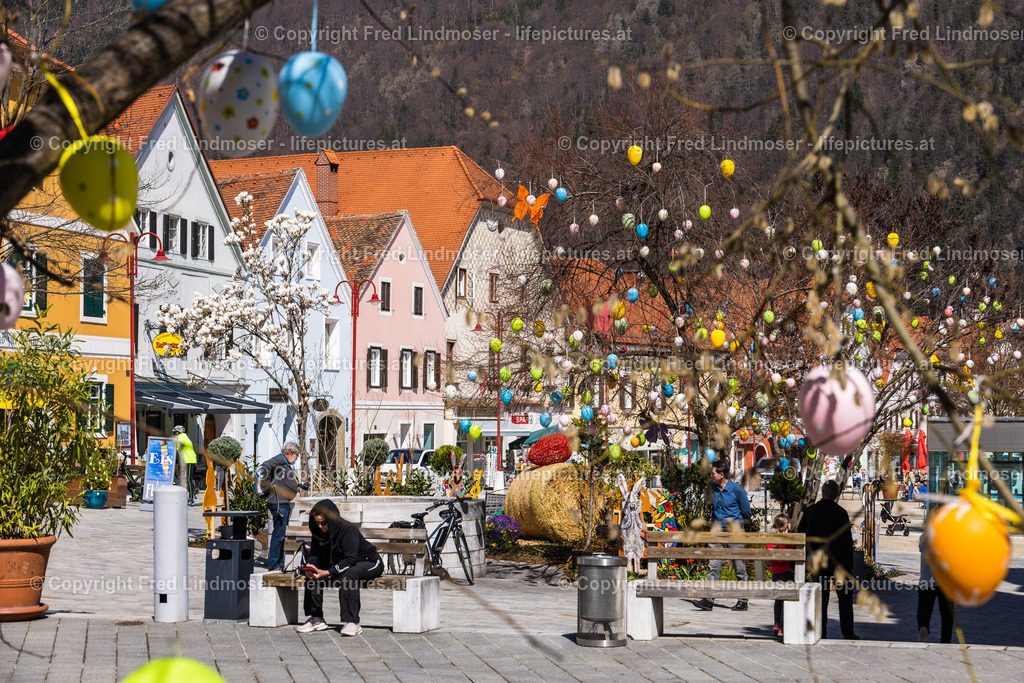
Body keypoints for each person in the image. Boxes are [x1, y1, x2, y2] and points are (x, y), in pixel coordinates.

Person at [296, 499, 384, 635]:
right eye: (317, 523)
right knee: (312, 574)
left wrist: (327, 572)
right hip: (341, 563)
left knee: (348, 574)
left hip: (369, 561)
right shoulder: (318, 532)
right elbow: (315, 554)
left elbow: (350, 559)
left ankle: (352, 622)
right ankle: (316, 618)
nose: (320, 526)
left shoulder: (347, 530)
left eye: (323, 523)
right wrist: (311, 565)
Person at [798, 479, 858, 639]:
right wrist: (849, 565)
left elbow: (800, 533)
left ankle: (820, 631)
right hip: (839, 562)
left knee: (821, 596)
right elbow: (846, 541)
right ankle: (848, 631)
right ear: (837, 494)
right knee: (845, 597)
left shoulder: (812, 511)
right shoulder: (840, 513)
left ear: (822, 493)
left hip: (818, 562)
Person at [695, 458, 751, 611]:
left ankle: (743, 600)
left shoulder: (736, 489)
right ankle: (708, 599)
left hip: (735, 531)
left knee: (739, 567)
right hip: (717, 530)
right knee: (713, 566)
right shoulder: (712, 488)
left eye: (713, 473)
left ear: (721, 474)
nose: (711, 475)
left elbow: (746, 511)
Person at [257, 442, 300, 572]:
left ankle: (279, 564)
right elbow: (265, 467)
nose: (296, 459)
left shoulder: (283, 463)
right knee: (278, 535)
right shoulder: (281, 459)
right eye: (297, 456)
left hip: (282, 503)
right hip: (278, 503)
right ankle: (274, 565)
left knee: (281, 535)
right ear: (291, 453)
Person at [917, 520, 954, 643]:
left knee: (924, 610)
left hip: (926, 581)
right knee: (946, 612)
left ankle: (923, 627)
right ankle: (945, 638)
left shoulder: (923, 538)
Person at [767, 514, 794, 639]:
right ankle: (782, 627)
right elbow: (792, 551)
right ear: (787, 525)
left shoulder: (771, 539)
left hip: (775, 572)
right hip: (786, 571)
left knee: (778, 598)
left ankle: (776, 623)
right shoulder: (789, 539)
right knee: (786, 599)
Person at [172, 426, 197, 505]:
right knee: (186, 479)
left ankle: (191, 499)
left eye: (175, 432)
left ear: (178, 432)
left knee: (189, 480)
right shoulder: (184, 436)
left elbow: (175, 448)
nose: (175, 434)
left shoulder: (181, 438)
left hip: (189, 460)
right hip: (189, 460)